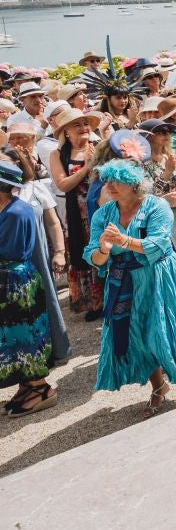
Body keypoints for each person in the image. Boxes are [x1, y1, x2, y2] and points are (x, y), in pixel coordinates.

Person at [84, 159, 176, 414]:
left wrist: (123, 240)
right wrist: (103, 249)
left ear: (134, 184)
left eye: (115, 181)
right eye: (106, 181)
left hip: (158, 276)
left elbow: (157, 244)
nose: (108, 186)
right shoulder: (103, 214)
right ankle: (159, 385)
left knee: (167, 328)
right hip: (122, 278)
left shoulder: (157, 206)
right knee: (137, 335)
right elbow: (92, 256)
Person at [0, 160, 57, 418]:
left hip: (16, 282)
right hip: (10, 280)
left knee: (26, 334)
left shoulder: (15, 212)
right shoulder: (9, 208)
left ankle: (41, 388)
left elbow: (9, 251)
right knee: (13, 337)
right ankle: (27, 384)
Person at [48, 106, 103, 321]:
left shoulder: (99, 147)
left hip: (100, 210)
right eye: (76, 125)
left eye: (85, 124)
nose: (83, 128)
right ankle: (93, 303)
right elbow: (62, 184)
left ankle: (112, 297)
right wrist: (86, 167)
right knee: (84, 254)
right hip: (78, 216)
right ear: (66, 131)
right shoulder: (57, 154)